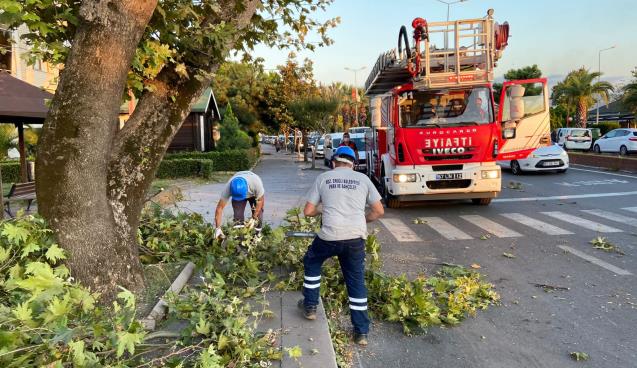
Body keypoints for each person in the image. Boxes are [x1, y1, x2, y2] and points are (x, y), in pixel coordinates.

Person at [299, 146, 385, 346]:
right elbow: (379, 211)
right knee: (355, 281)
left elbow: (308, 211)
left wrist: (322, 211)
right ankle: (361, 332)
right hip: (355, 238)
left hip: (329, 236)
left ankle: (310, 306)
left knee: (312, 261)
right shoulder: (363, 179)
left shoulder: (324, 178)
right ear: (353, 163)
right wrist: (363, 220)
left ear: (333, 162)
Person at [214, 171, 265, 239]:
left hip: (253, 194)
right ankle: (239, 238)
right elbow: (219, 208)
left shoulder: (256, 183)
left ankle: (257, 235)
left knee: (258, 216)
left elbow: (261, 200)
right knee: (238, 218)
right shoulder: (228, 187)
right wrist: (218, 228)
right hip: (238, 195)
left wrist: (255, 214)